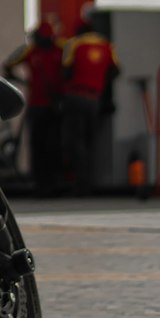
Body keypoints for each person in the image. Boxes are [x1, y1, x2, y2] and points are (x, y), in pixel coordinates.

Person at [3, 19, 64, 194]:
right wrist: (26, 83)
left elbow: (8, 66)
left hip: (48, 105)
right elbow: (8, 66)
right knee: (43, 145)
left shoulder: (36, 51)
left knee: (46, 145)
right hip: (43, 105)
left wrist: (24, 82)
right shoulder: (54, 50)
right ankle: (44, 183)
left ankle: (47, 182)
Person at [61, 15, 120, 194]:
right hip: (94, 99)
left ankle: (80, 183)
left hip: (75, 97)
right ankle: (91, 181)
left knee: (75, 141)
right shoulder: (107, 45)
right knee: (91, 140)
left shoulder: (74, 44)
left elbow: (66, 70)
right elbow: (116, 70)